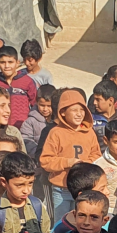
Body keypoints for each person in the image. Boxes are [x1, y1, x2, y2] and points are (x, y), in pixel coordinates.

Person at [39, 89, 100, 220]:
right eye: (74, 110)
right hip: (61, 189)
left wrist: (86, 164)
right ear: (62, 112)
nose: (79, 114)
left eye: (82, 110)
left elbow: (96, 155)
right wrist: (67, 162)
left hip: (84, 189)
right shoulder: (56, 132)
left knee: (81, 223)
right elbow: (45, 160)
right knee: (61, 224)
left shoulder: (89, 132)